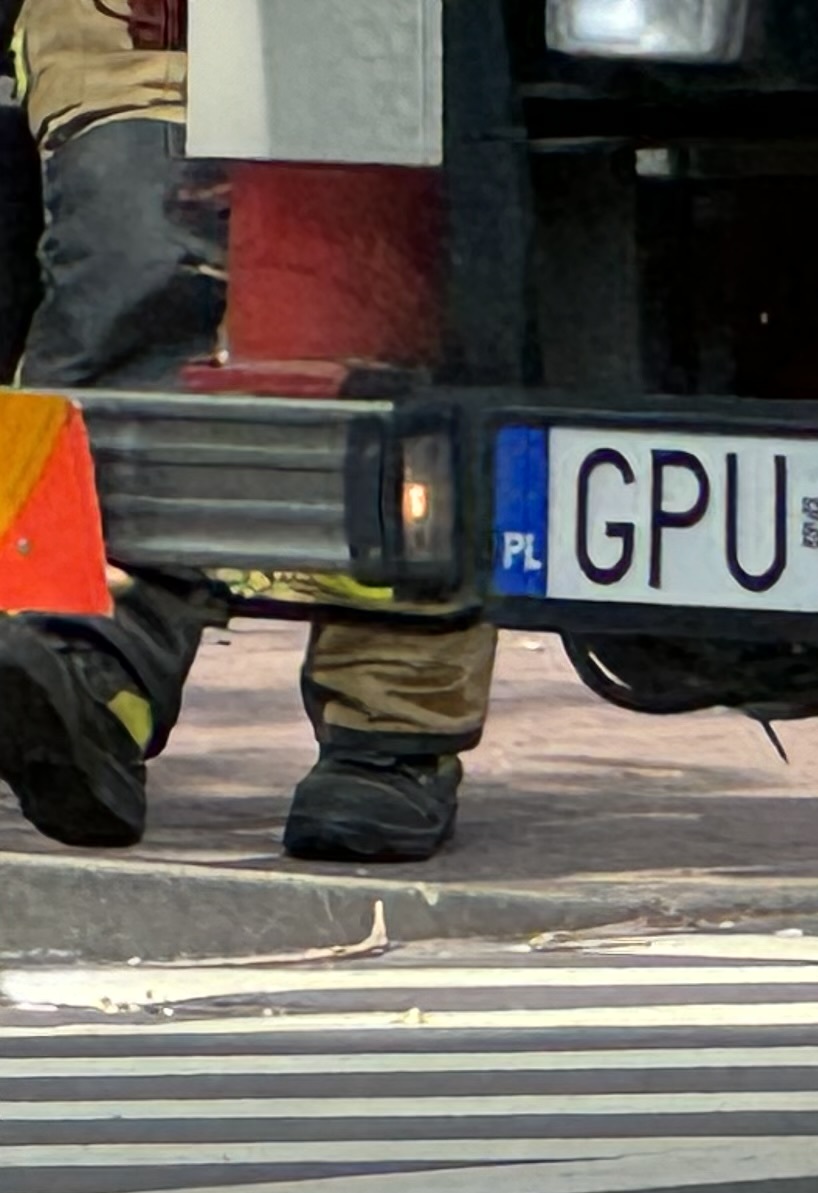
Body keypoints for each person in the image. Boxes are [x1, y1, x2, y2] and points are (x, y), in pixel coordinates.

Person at [0, 0, 493, 860]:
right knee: (125, 272)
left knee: (380, 318)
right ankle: (88, 666)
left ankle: (387, 731)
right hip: (150, 26)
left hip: (390, 31)